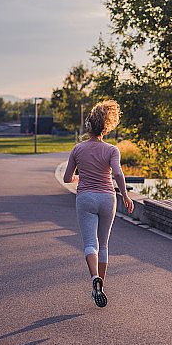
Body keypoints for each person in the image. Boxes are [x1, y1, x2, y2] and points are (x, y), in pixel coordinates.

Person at [63, 100, 134, 307]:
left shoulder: (78, 149)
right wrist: (125, 195)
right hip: (107, 198)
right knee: (103, 244)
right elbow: (117, 174)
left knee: (90, 244)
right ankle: (100, 287)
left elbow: (67, 178)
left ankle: (95, 277)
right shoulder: (112, 150)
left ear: (89, 127)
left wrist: (80, 177)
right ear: (105, 128)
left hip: (85, 198)